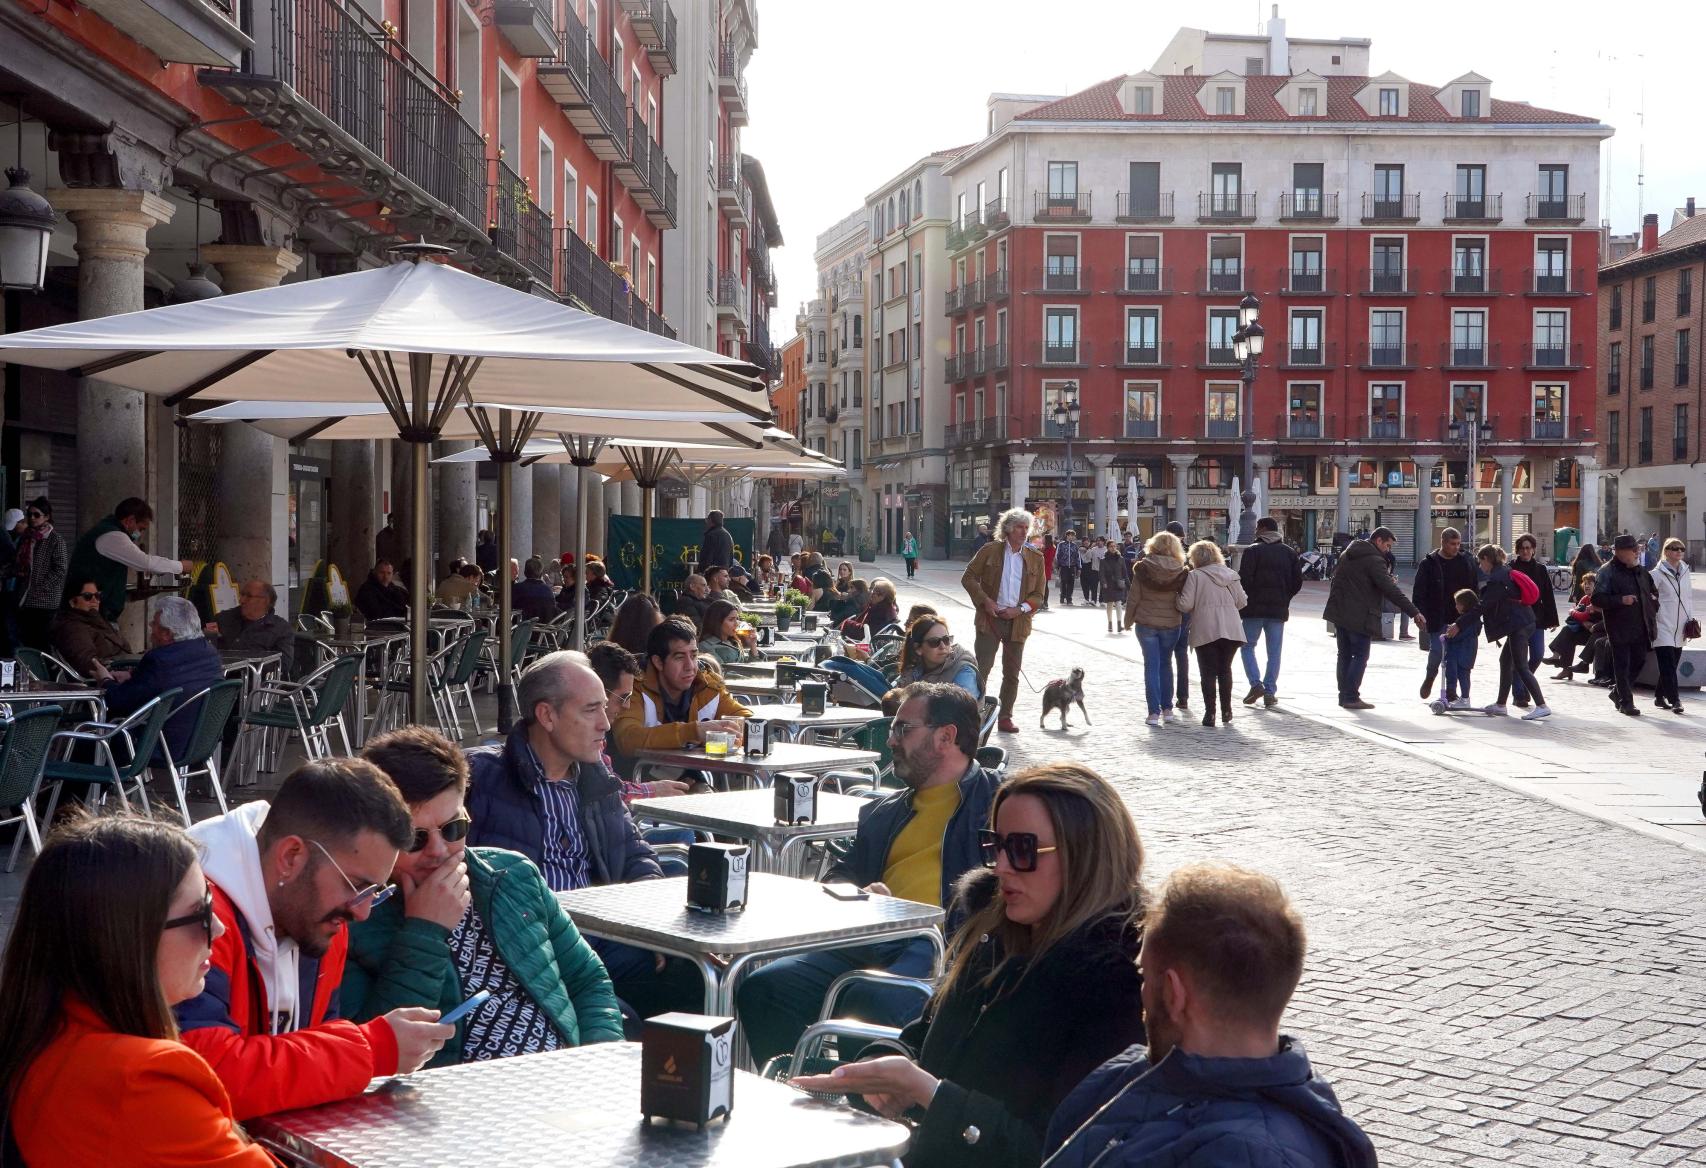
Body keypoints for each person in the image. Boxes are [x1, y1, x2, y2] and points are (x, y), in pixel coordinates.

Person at [789, 763, 1148, 1168]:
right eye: (995, 845)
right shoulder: (995, 931)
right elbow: (925, 1036)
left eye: (1024, 849)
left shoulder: (1118, 982)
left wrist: (931, 1095)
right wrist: (882, 1066)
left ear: (1086, 856)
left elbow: (1056, 1152)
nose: (1002, 866)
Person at [1042, 865, 1377, 1168]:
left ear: (1174, 993)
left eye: (1145, 975)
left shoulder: (1246, 1156)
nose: (1141, 992)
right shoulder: (1136, 1074)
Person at [738, 683, 1000, 1069]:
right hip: (870, 934)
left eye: (902, 729)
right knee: (764, 986)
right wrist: (858, 892)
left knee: (868, 998)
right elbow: (838, 876)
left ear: (946, 737)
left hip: (941, 943)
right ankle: (807, 1094)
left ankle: (869, 1106)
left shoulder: (997, 803)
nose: (891, 740)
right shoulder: (882, 811)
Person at [177, 757, 453, 1118]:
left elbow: (311, 1050)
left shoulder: (319, 918)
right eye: (356, 886)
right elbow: (204, 1076)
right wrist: (372, 1049)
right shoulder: (190, 914)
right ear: (291, 856)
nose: (362, 912)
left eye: (375, 891)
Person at [0, 813, 277, 1167]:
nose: (221, 929)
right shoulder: (143, 1080)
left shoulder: (43, 1038)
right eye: (203, 913)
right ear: (127, 939)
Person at [343, 726, 626, 1066]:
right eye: (413, 839)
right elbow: (376, 1053)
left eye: (453, 829)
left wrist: (598, 1060)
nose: (438, 850)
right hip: (454, 1101)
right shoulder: (353, 920)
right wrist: (425, 931)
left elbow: (587, 979)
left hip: (562, 1078)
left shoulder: (514, 875)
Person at [465, 650, 697, 1025]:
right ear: (547, 716)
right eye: (591, 710)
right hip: (529, 951)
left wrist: (648, 926)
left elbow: (636, 854)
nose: (606, 724)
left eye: (606, 708)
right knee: (623, 1018)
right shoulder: (481, 778)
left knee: (699, 974)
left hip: (598, 936)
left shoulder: (595, 781)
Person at [94, 595, 226, 760]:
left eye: (154, 624)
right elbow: (170, 678)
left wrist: (106, 681)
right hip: (201, 741)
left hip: (160, 743)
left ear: (166, 633)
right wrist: (133, 675)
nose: (151, 628)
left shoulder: (160, 659)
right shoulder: (209, 652)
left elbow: (119, 701)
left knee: (87, 740)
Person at [611, 619, 752, 766]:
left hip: (696, 774)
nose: (690, 666)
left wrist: (735, 732)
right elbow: (627, 739)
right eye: (679, 657)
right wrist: (694, 731)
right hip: (642, 779)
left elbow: (745, 720)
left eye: (694, 656)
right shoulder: (635, 687)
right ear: (658, 662)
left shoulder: (706, 685)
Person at [961, 507, 1047, 734]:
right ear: (1008, 529)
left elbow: (1039, 594)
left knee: (1012, 673)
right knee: (982, 669)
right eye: (1019, 527)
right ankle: (975, 715)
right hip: (989, 619)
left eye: (1026, 528)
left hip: (1018, 623)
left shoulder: (1035, 558)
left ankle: (1006, 716)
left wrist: (1020, 609)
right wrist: (985, 601)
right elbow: (968, 577)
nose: (1023, 532)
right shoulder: (990, 550)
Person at [1444, 544, 1551, 721]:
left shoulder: (1498, 579)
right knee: (1505, 660)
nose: (1480, 566)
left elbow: (1482, 606)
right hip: (1521, 622)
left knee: (1521, 666)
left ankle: (1541, 705)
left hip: (1519, 624)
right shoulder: (1503, 572)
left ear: (1487, 560)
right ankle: (1501, 705)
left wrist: (1458, 624)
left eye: (1480, 562)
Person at [1322, 527, 1424, 711]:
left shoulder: (1348, 553)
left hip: (1339, 611)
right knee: (1361, 655)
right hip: (1360, 614)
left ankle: (1343, 696)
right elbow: (1390, 590)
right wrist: (1413, 612)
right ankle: (1351, 696)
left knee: (1344, 655)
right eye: (1387, 545)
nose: (1388, 550)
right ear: (1378, 541)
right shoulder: (1375, 560)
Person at [65, 497, 193, 626]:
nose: (139, 534)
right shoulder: (113, 536)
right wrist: (181, 566)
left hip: (94, 614)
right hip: (88, 615)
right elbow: (145, 562)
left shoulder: (109, 531)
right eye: (141, 529)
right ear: (130, 520)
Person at [1177, 541, 1248, 728]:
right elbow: (1242, 602)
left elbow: (1185, 604)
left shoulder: (1195, 576)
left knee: (1207, 672)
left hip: (1205, 628)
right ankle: (1227, 710)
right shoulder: (1231, 575)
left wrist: (1176, 598)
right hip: (1231, 628)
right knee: (1225, 669)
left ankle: (1210, 714)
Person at [1237, 516, 1302, 708]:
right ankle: (1270, 690)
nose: (1255, 531)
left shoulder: (1252, 551)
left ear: (1263, 529)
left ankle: (1255, 684)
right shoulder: (1289, 553)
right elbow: (1297, 581)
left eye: (1257, 528)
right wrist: (1285, 597)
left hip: (1253, 609)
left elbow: (1244, 579)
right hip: (1278, 610)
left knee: (1247, 646)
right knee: (1274, 652)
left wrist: (1247, 598)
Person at [1124, 530, 1188, 727]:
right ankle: (1168, 709)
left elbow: (1134, 597)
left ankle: (1153, 713)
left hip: (1146, 623)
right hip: (1171, 624)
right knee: (1166, 664)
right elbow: (1185, 600)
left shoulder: (1143, 568)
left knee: (1151, 666)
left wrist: (1127, 620)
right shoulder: (1181, 570)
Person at [1593, 534, 1659, 717]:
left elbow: (1653, 593)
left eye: (1637, 549)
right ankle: (1626, 702)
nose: (1637, 553)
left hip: (1642, 626)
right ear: (1621, 552)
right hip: (1618, 626)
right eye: (1633, 550)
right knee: (1621, 665)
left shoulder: (1642, 572)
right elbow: (1597, 598)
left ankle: (1618, 693)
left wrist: (1653, 602)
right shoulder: (1607, 571)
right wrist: (1621, 600)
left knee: (1639, 660)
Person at [1411, 527, 1479, 701]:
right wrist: (1419, 614)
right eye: (1452, 544)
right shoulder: (1429, 563)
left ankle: (1450, 690)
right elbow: (1419, 592)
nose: (1456, 547)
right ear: (1443, 542)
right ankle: (1430, 677)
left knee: (1454, 658)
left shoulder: (1465, 561)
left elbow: (1474, 590)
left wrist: (1472, 617)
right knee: (1437, 653)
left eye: (1458, 544)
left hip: (1461, 618)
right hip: (1437, 617)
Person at [1507, 534, 1559, 709]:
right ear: (1518, 550)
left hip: (1537, 618)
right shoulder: (1511, 568)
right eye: (1522, 548)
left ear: (1533, 549)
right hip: (1517, 619)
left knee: (1537, 654)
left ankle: (1525, 683)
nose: (1526, 551)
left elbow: (1548, 595)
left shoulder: (1540, 569)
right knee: (1519, 658)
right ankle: (1519, 694)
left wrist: (1553, 619)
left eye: (1528, 548)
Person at [14, 496, 69, 650]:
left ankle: (45, 673)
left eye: (36, 515)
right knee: (27, 641)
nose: (32, 518)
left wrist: (41, 588)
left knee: (41, 643)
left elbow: (60, 569)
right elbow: (19, 565)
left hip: (45, 602)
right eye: (29, 514)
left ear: (47, 517)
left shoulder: (55, 540)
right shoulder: (27, 538)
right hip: (25, 599)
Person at [50, 576, 131, 677]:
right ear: (72, 602)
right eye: (87, 596)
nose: (94, 600)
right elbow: (87, 663)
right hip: (108, 679)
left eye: (97, 596)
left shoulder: (97, 619)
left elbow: (124, 647)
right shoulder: (72, 627)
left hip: (124, 671)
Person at [207, 579, 295, 672]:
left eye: (248, 596)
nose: (241, 600)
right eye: (242, 595)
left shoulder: (282, 629)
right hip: (219, 680)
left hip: (254, 682)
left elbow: (284, 665)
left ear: (265, 600)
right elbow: (205, 644)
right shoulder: (220, 618)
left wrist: (245, 664)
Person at [1651, 538, 1695, 713]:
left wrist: (1690, 621)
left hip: (1681, 625)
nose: (1679, 552)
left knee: (1672, 663)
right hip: (1662, 624)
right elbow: (1648, 597)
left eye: (1681, 549)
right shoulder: (1656, 574)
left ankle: (1659, 695)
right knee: (1667, 664)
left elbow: (1688, 599)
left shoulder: (1685, 571)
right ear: (1666, 551)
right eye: (1674, 548)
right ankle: (1675, 700)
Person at [896, 614, 981, 695]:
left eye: (946, 639)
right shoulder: (913, 668)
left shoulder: (963, 671)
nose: (942, 646)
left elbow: (962, 708)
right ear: (918, 648)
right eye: (934, 642)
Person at [1547, 574, 1603, 681]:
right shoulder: (1585, 598)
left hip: (1597, 632)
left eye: (1590, 584)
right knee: (1568, 631)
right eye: (1585, 583)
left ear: (1596, 586)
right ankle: (1564, 667)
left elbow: (1581, 614)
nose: (1586, 586)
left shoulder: (1600, 598)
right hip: (1586, 631)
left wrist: (1587, 619)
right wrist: (1583, 621)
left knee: (1595, 636)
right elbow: (1576, 614)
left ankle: (1583, 664)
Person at [1163, 522, 1193, 710]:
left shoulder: (1158, 555)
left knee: (1164, 657)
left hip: (1166, 611)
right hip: (1185, 610)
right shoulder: (1190, 555)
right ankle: (1183, 697)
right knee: (1181, 654)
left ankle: (1166, 699)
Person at [697, 598, 755, 664]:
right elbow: (720, 671)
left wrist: (753, 645)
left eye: (737, 619)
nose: (736, 624)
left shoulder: (734, 642)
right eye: (731, 620)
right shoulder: (706, 646)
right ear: (717, 622)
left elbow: (750, 667)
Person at [511, 556, 558, 622]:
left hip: (521, 630)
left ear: (525, 572)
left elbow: (508, 610)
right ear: (541, 573)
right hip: (545, 629)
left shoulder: (517, 589)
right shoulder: (548, 591)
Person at [1098, 535, 1128, 633]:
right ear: (1108, 547)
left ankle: (1119, 624)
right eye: (1111, 546)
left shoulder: (1121, 559)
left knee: (1119, 603)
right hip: (1108, 585)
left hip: (1118, 584)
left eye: (1115, 546)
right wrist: (1103, 583)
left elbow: (1125, 572)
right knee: (1110, 604)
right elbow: (1101, 573)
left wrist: (1129, 584)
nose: (1113, 548)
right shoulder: (1103, 560)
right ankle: (1110, 623)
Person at [1055, 529, 1082, 606]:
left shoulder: (1075, 546)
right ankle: (1062, 596)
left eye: (1073, 536)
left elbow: (1078, 557)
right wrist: (1057, 566)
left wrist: (1079, 568)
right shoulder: (1061, 545)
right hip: (1063, 567)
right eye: (1070, 535)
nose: (1072, 537)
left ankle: (1069, 598)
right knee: (1063, 582)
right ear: (1067, 536)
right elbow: (1057, 555)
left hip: (1072, 567)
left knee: (1071, 583)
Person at [1041, 532, 1057, 610]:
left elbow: (1049, 559)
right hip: (1044, 567)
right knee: (1043, 585)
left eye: (1043, 539)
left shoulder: (1051, 548)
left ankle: (1045, 602)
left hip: (1046, 567)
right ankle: (1043, 602)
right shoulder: (1045, 547)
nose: (1042, 540)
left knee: (1045, 585)